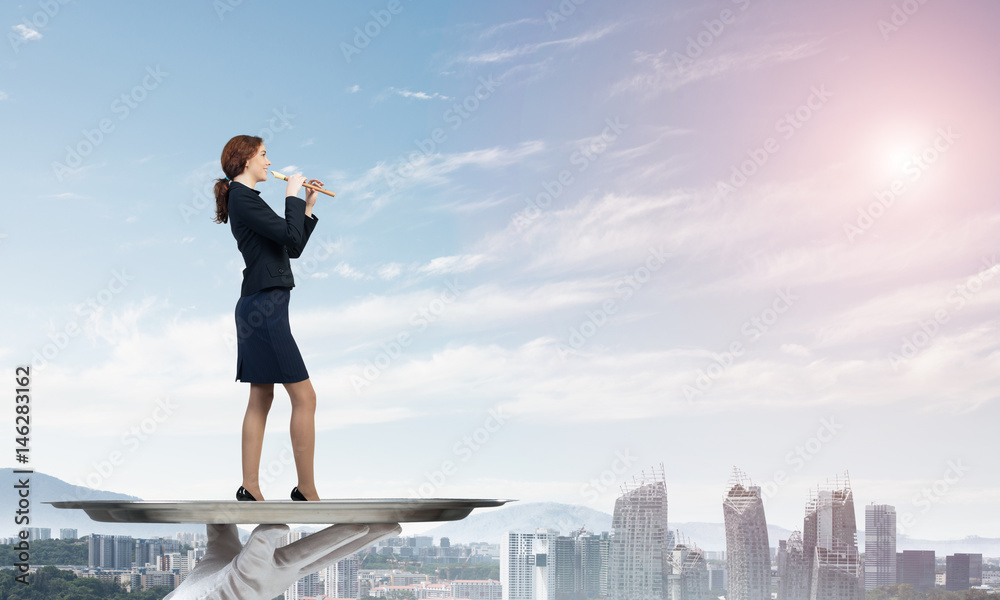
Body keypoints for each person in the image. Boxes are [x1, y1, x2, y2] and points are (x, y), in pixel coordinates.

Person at [213, 134, 326, 501]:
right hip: (265, 307)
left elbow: (289, 247)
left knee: (261, 396)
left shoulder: (245, 200)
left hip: (260, 303)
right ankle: (305, 490)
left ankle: (251, 487)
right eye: (263, 155)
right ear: (246, 160)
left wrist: (305, 204)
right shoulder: (243, 199)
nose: (269, 161)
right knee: (304, 397)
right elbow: (289, 239)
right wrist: (292, 195)